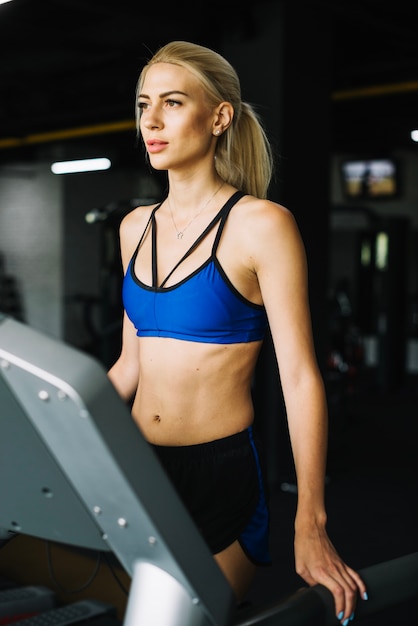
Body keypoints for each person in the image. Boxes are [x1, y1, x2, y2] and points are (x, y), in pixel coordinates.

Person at [107, 40, 368, 624]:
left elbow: (299, 377)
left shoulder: (261, 225)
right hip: (139, 471)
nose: (150, 121)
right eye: (144, 103)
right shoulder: (133, 227)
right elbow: (128, 366)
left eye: (172, 103)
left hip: (221, 476)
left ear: (219, 116)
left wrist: (311, 520)